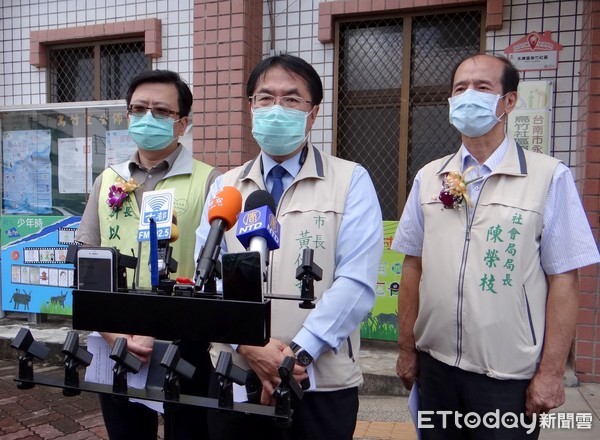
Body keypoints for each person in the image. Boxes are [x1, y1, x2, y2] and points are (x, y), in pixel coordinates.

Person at [392, 54, 600, 439]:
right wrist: (407, 349)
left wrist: (552, 372)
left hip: (507, 378)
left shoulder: (548, 177)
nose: (468, 95)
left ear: (509, 101)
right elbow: (412, 266)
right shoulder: (429, 177)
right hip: (436, 368)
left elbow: (565, 281)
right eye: (459, 89)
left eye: (482, 87)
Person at [194, 53, 384, 440]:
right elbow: (208, 278)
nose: (276, 108)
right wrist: (251, 348)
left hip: (319, 382)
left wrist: (291, 358)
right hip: (236, 374)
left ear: (312, 114)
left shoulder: (351, 180)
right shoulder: (225, 187)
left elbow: (356, 282)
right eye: (265, 98)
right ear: (251, 108)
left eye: (291, 99)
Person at [75, 69, 220, 439]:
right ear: (127, 116)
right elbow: (82, 255)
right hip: (117, 335)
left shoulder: (210, 180)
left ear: (182, 123)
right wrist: (111, 332)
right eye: (138, 109)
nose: (147, 117)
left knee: (188, 432)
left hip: (185, 335)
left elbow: (218, 264)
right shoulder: (108, 179)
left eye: (160, 111)